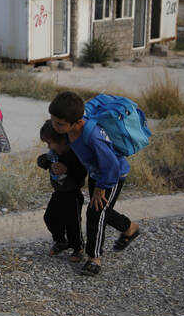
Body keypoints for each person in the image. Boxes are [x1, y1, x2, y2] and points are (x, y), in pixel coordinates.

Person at [48, 91, 141, 277]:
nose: (55, 126)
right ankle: (130, 227)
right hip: (96, 173)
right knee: (101, 210)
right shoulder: (68, 130)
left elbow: (112, 165)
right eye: (53, 121)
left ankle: (94, 258)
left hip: (112, 176)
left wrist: (101, 188)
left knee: (95, 213)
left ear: (77, 122)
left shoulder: (92, 136)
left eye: (60, 124)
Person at [36, 119, 87, 262]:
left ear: (64, 141)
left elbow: (82, 173)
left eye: (50, 143)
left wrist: (68, 170)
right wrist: (49, 164)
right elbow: (40, 160)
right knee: (49, 218)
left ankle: (78, 248)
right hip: (58, 193)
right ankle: (61, 241)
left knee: (73, 223)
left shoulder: (75, 155)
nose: (49, 147)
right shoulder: (53, 155)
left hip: (73, 194)